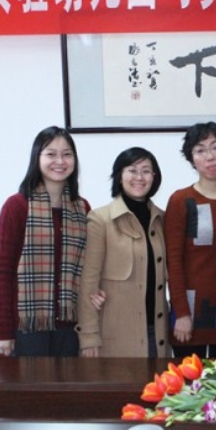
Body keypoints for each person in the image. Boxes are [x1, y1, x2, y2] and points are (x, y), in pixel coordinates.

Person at [0, 126, 90, 357]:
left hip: (71, 327)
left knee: (71, 383)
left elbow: (87, 268)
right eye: (51, 154)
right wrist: (2, 330)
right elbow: (2, 273)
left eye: (67, 154)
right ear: (37, 158)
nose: (60, 161)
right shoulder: (17, 206)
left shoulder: (82, 208)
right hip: (27, 328)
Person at [76, 147, 171, 358]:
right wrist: (89, 336)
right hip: (115, 336)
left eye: (146, 171)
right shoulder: (100, 220)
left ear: (154, 177)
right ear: (120, 176)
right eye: (132, 170)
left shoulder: (163, 220)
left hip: (156, 333)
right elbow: (88, 282)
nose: (139, 177)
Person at [165, 122, 216, 358]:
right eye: (200, 150)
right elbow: (173, 261)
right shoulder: (182, 200)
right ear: (191, 159)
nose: (210, 156)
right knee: (189, 380)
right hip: (191, 313)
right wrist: (181, 313)